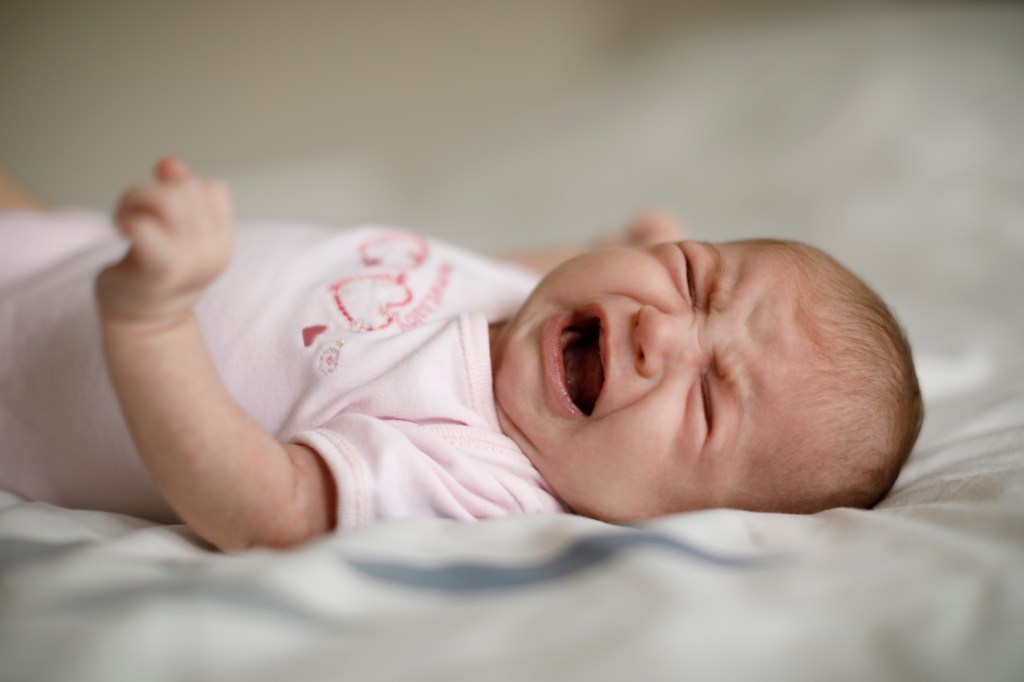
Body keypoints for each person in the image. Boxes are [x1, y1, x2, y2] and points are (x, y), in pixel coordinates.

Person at [0, 158, 923, 551]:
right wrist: (628, 236)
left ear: (675, 520)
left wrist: (154, 321)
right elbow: (540, 265)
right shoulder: (538, 307)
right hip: (54, 243)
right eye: (691, 278)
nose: (661, 330)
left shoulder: (481, 472)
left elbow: (266, 509)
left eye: (710, 403)